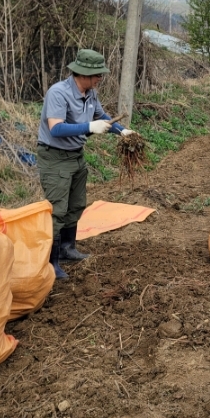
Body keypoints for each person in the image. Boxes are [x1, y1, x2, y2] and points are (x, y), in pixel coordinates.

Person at [37, 49, 136, 279]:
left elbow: (102, 117)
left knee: (76, 204)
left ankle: (67, 249)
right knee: (57, 210)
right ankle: (51, 262)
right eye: (98, 74)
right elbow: (56, 128)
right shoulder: (58, 93)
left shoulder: (90, 94)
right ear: (83, 74)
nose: (101, 78)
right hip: (55, 157)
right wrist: (89, 127)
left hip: (76, 155)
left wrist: (123, 131)